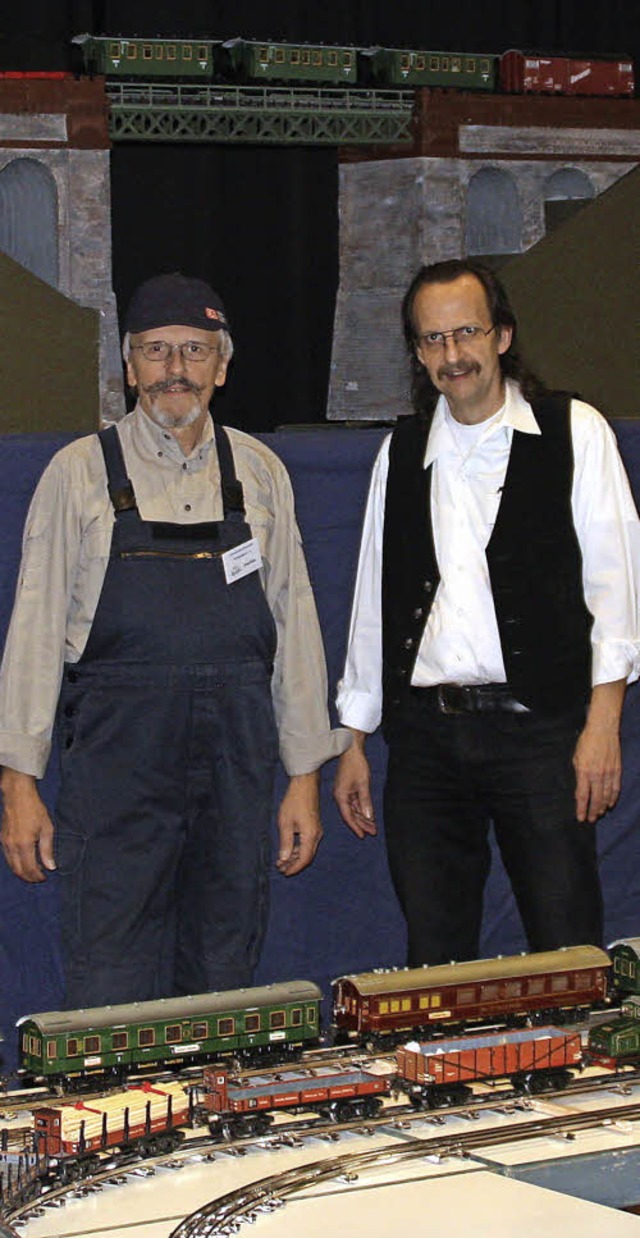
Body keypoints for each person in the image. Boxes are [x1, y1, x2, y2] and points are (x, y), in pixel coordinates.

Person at [0, 272, 349, 1007]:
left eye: (194, 349)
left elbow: (295, 626)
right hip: (118, 767)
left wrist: (305, 775)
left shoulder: (259, 473)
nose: (174, 369)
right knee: (110, 972)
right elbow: (32, 632)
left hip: (237, 765)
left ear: (222, 365)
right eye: (155, 350)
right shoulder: (78, 474)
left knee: (224, 970)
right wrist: (19, 781)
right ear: (128, 366)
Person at [334, 258, 640, 967]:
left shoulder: (575, 431)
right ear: (417, 352)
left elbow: (617, 590)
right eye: (432, 339)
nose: (452, 354)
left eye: (466, 332)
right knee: (434, 959)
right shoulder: (401, 452)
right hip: (426, 745)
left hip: (543, 735)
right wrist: (352, 735)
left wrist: (603, 725)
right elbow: (373, 603)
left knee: (566, 948)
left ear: (501, 334)